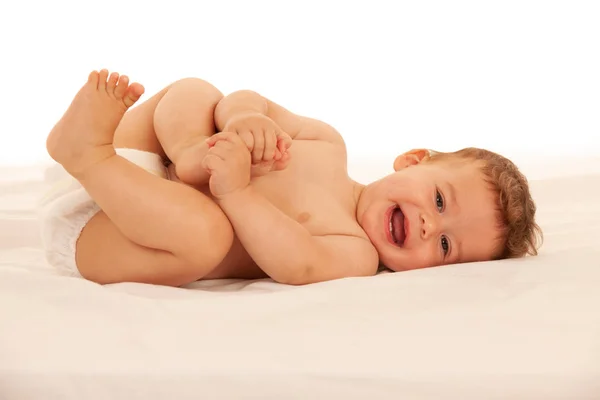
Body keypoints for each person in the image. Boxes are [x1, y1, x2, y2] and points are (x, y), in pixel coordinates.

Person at [39, 69, 542, 287]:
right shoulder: (327, 143)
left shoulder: (356, 252)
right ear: (412, 160)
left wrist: (234, 191)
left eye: (447, 247)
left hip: (111, 235)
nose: (432, 227)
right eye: (438, 199)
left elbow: (297, 264)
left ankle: (87, 155)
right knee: (198, 91)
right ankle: (190, 150)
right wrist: (242, 120)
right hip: (147, 159)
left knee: (207, 235)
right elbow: (249, 98)